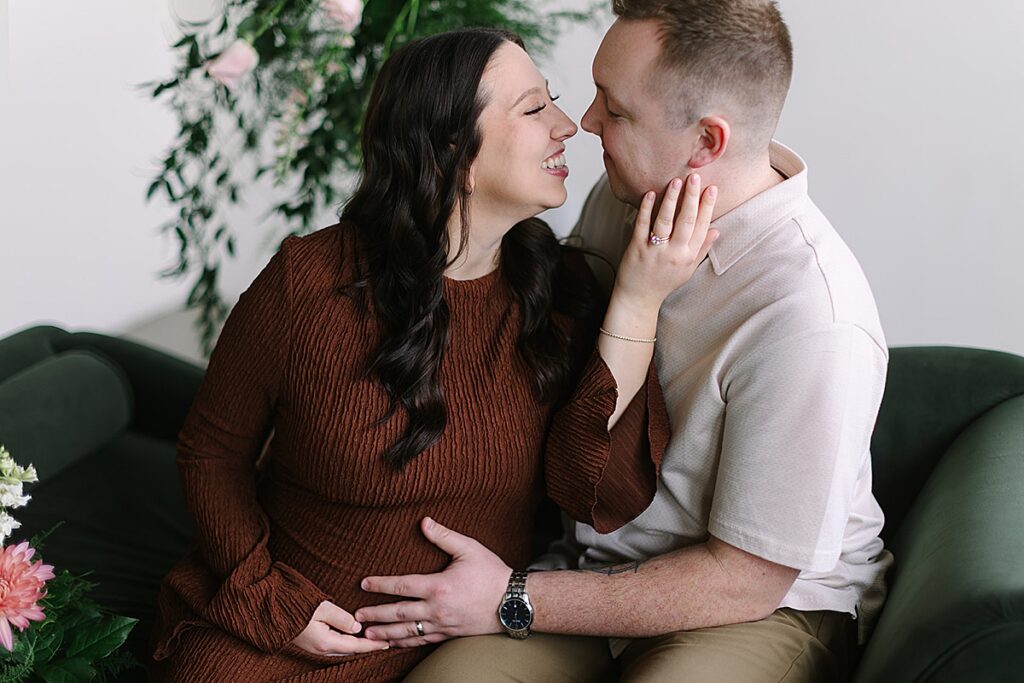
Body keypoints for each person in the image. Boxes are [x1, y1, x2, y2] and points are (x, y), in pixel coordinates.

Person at [148, 26, 718, 683]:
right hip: (287, 633)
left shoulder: (562, 294)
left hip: (464, 643)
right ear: (454, 152)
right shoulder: (305, 283)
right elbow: (211, 452)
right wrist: (270, 598)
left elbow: (592, 488)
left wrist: (638, 301)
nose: (567, 125)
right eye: (534, 109)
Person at [355, 2, 893, 681]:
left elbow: (745, 580)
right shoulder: (623, 198)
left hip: (758, 607)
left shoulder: (812, 315)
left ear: (707, 142)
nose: (583, 123)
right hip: (593, 567)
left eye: (616, 109)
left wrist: (513, 598)